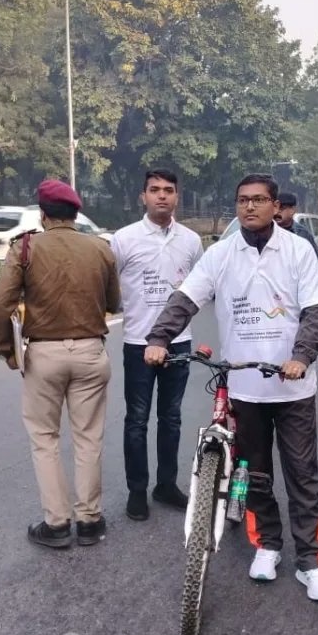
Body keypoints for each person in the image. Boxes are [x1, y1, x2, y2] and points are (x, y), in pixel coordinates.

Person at [145, 174, 318, 602]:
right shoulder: (221, 255)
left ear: (275, 206)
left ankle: (311, 560)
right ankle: (267, 544)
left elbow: (317, 311)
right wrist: (159, 338)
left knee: (302, 475)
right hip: (244, 388)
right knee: (252, 473)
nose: (250, 207)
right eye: (243, 200)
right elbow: (186, 298)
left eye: (259, 200)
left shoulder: (297, 250)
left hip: (293, 389)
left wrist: (301, 357)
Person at [0, 180, 121, 550]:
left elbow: (2, 304)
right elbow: (114, 302)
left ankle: (58, 524)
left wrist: (6, 348)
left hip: (44, 356)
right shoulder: (100, 248)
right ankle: (90, 521)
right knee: (88, 437)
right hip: (91, 353)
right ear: (76, 214)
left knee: (45, 440)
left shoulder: (25, 247)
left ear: (43, 214)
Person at [110, 169, 204, 521]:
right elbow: (111, 285)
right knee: (136, 419)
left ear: (177, 196)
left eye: (168, 190)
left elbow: (199, 285)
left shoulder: (191, 241)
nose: (162, 196)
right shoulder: (123, 239)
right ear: (143, 196)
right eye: (154, 190)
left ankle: (166, 484)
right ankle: (137, 490)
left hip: (179, 343)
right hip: (137, 343)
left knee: (172, 417)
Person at [274, 191, 318, 275]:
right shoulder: (265, 232)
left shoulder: (303, 234)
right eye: (275, 208)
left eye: (282, 208)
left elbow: (317, 266)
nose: (277, 212)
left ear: (293, 210)